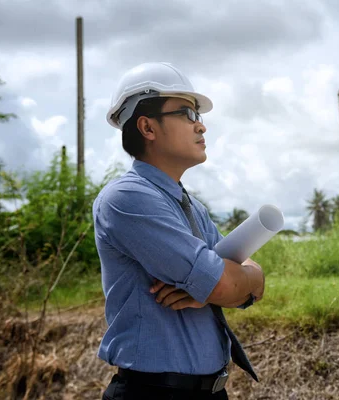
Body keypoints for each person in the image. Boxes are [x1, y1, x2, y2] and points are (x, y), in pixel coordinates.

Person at [93, 62, 265, 400]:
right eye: (187, 113)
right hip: (153, 393)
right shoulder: (127, 198)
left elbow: (251, 280)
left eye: (198, 115)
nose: (201, 126)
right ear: (147, 127)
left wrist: (227, 284)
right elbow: (227, 283)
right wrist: (219, 285)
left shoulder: (192, 207)